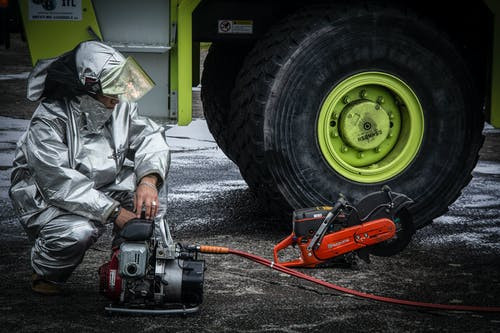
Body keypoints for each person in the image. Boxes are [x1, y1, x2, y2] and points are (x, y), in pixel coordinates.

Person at [9, 41, 170, 295]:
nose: (118, 97)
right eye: (111, 89)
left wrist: (148, 181)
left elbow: (150, 137)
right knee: (78, 231)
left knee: (148, 202)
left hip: (100, 184)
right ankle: (46, 273)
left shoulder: (119, 105)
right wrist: (114, 212)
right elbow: (58, 183)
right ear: (88, 86)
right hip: (46, 198)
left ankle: (128, 266)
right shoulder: (48, 119)